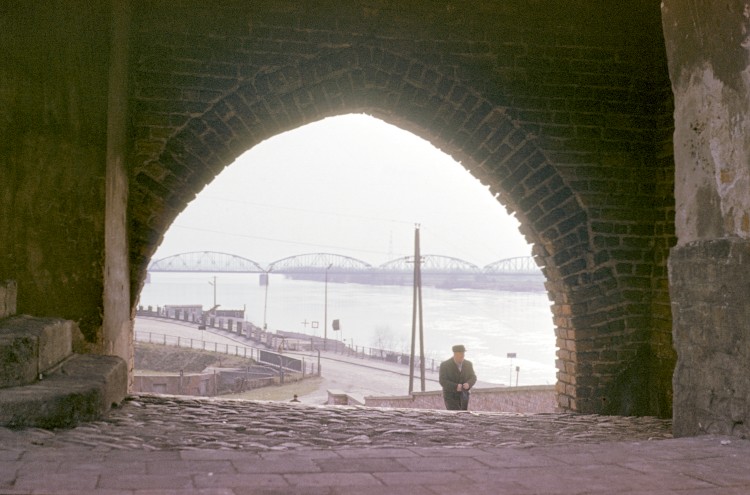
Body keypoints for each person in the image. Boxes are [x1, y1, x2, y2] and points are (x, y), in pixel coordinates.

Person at [439, 344, 477, 410]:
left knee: (463, 414)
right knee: (455, 414)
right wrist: (456, 386)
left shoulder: (468, 364)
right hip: (450, 397)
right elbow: (442, 381)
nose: (463, 356)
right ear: (455, 354)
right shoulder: (445, 365)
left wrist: (468, 384)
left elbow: (473, 377)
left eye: (463, 353)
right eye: (460, 354)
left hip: (464, 396)